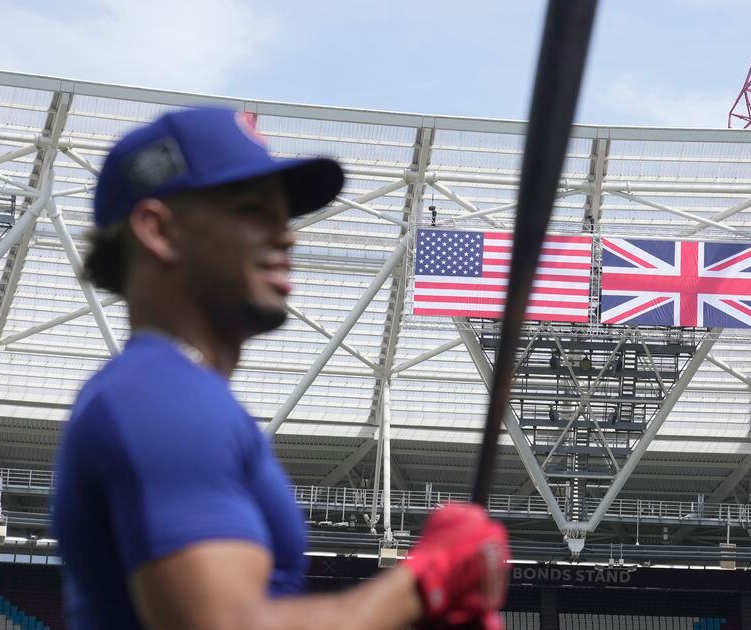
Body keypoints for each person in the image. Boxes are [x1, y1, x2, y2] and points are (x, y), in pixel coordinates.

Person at [52, 107, 509, 630]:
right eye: (253, 211)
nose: (287, 237)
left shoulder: (168, 393)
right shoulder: (160, 397)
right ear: (158, 230)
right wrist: (425, 582)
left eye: (285, 217)